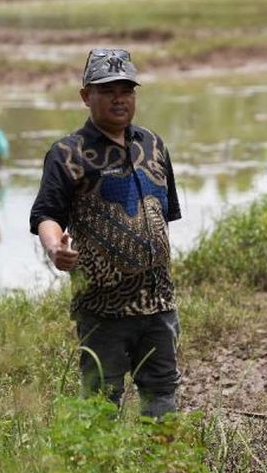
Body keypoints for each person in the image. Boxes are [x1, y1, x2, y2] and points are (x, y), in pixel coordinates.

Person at [29, 48, 182, 418]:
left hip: (159, 305)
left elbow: (165, 215)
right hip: (102, 310)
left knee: (162, 394)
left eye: (126, 89)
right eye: (108, 90)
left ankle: (160, 469)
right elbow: (46, 214)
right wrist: (55, 249)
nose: (119, 98)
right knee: (100, 404)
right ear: (86, 96)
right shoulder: (67, 153)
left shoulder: (154, 145)